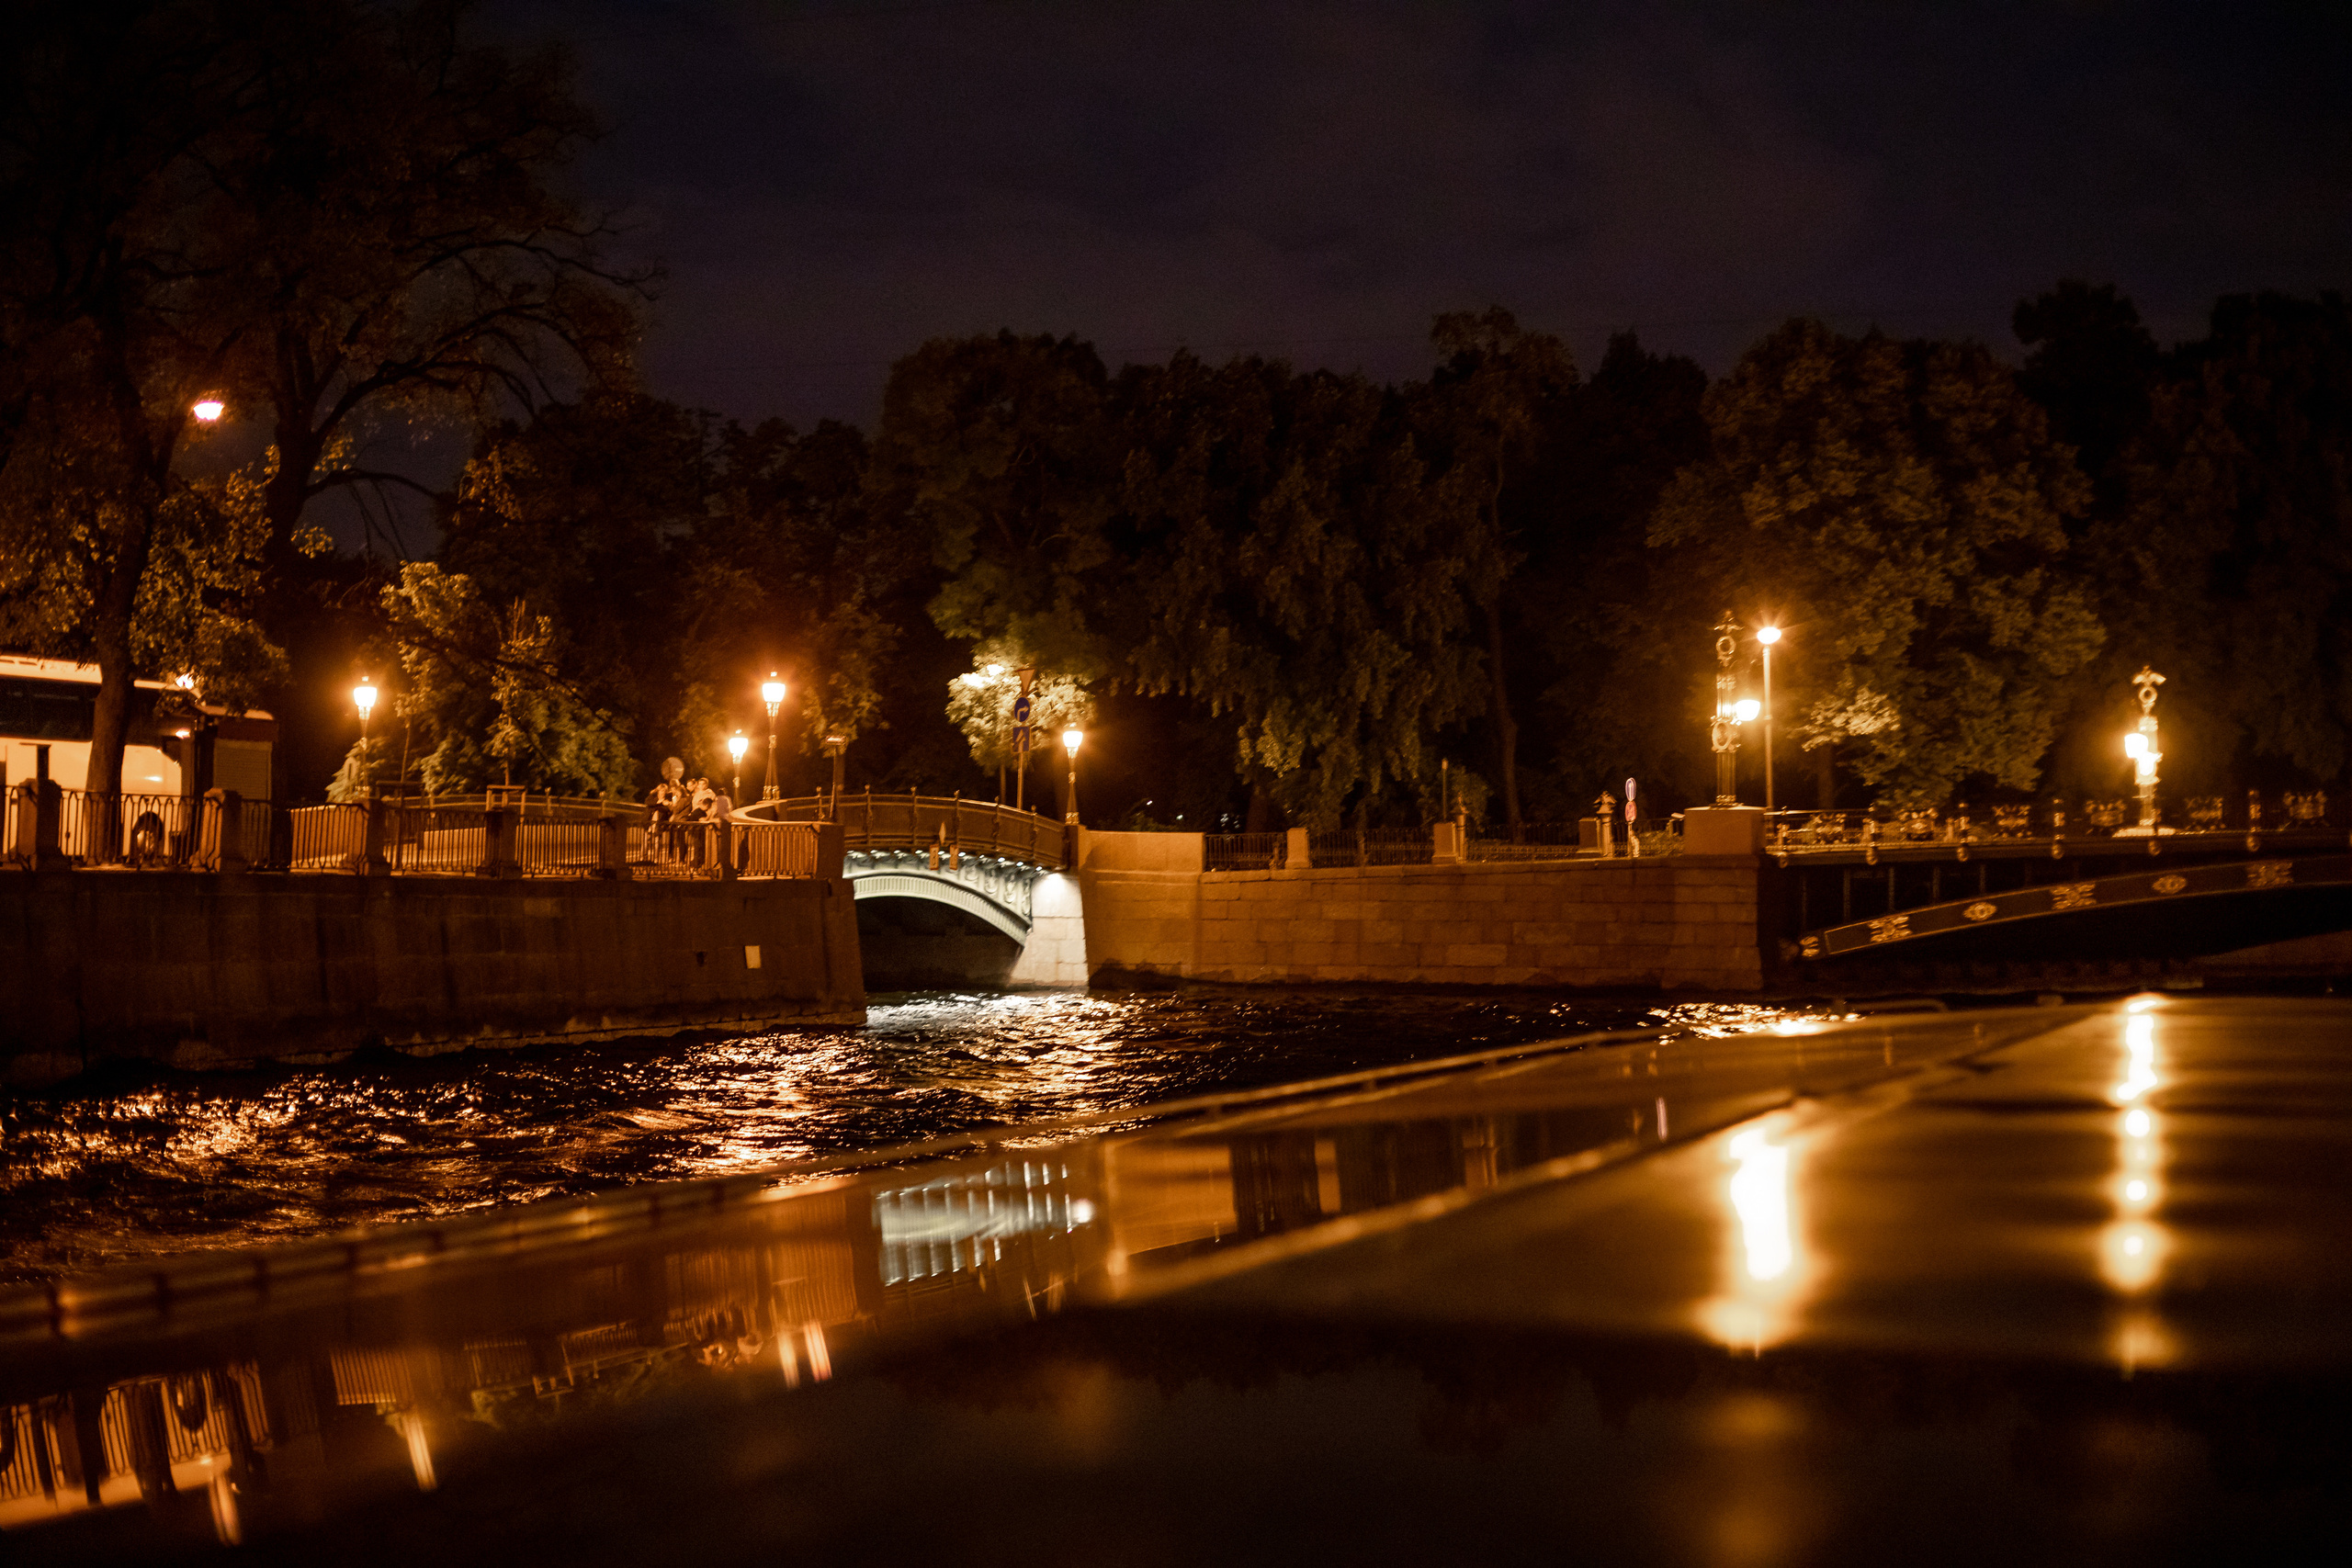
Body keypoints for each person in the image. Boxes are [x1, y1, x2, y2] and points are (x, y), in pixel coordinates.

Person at [643, 757, 685, 863]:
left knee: (658, 841)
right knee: (645, 840)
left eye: (664, 791)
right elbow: (648, 802)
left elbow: (668, 808)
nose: (662, 793)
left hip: (660, 823)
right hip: (649, 822)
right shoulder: (653, 797)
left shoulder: (668, 799)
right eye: (661, 791)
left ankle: (657, 859)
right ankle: (643, 857)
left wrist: (664, 804)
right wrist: (658, 802)